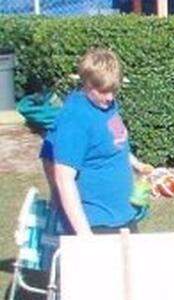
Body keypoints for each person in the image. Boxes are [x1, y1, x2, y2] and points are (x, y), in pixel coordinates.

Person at [40, 47, 155, 236]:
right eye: (103, 91)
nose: (110, 97)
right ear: (86, 84)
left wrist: (139, 166)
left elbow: (115, 144)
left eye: (113, 90)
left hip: (122, 216)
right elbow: (63, 178)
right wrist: (85, 236)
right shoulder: (75, 119)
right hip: (97, 224)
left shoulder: (106, 106)